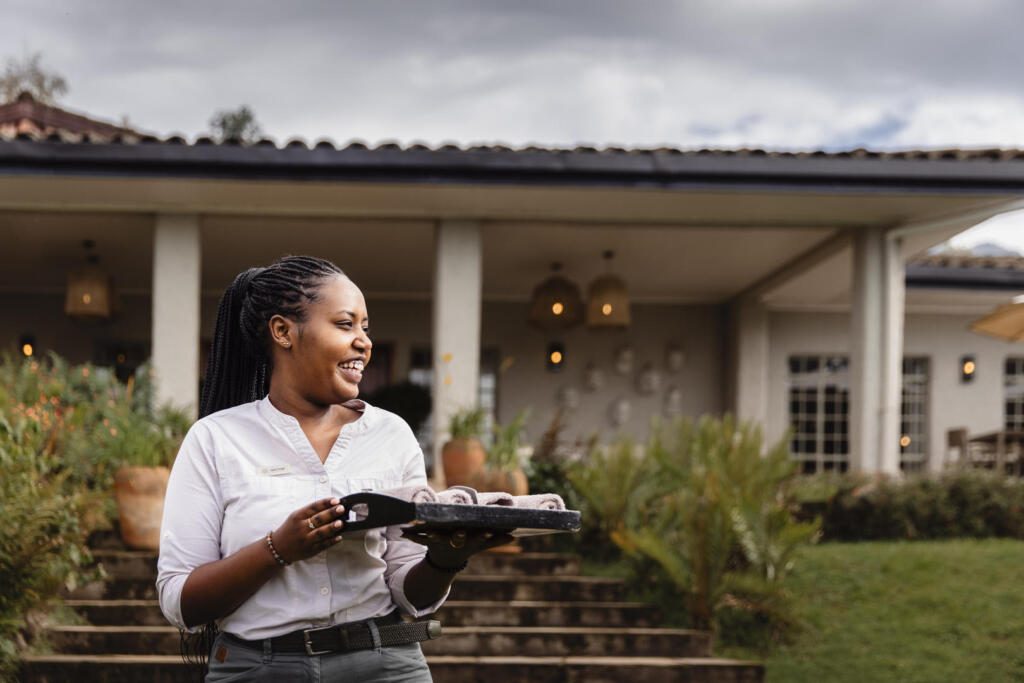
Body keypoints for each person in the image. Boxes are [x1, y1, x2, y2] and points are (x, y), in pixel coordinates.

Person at [156, 255, 511, 682]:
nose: (364, 342)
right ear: (283, 331)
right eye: (345, 324)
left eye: (366, 328)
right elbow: (181, 602)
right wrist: (277, 549)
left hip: (385, 665)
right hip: (258, 669)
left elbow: (409, 593)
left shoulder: (391, 435)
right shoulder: (215, 439)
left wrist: (445, 560)